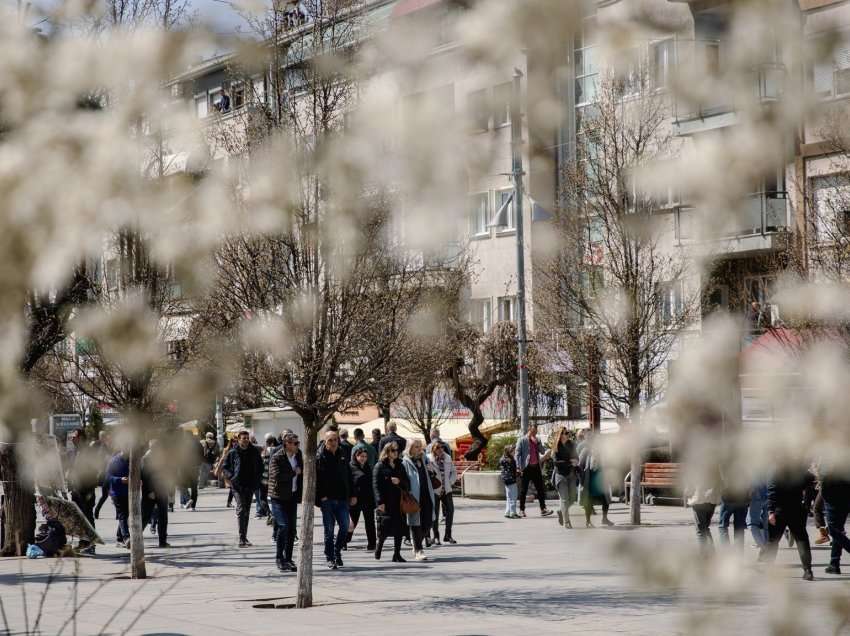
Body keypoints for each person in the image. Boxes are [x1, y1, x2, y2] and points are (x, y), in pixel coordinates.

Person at [758, 465, 815, 581]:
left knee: (773, 540)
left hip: (780, 509)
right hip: (797, 508)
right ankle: (808, 570)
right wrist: (807, 503)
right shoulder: (799, 469)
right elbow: (811, 479)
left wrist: (770, 511)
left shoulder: (775, 470)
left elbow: (772, 491)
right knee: (802, 539)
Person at [316, 429, 354, 570]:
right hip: (327, 499)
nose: (333, 443)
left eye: (335, 440)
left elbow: (349, 476)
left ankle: (337, 551)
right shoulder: (320, 457)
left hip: (342, 498)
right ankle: (330, 557)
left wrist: (353, 494)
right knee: (329, 530)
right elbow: (316, 480)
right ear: (325, 442)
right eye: (330, 440)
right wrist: (321, 497)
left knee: (345, 527)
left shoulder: (342, 454)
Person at [220, 429, 263, 547]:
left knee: (247, 511)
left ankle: (244, 537)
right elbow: (225, 467)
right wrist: (231, 477)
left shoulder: (254, 452)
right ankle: (241, 538)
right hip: (237, 485)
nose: (246, 440)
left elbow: (260, 467)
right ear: (238, 439)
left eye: (247, 438)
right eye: (243, 438)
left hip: (249, 485)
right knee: (241, 509)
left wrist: (257, 480)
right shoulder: (233, 452)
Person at [268, 432, 302, 572]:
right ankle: (279, 558)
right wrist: (294, 472)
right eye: (294, 443)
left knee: (292, 529)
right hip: (278, 497)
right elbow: (276, 475)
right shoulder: (277, 457)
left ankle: (288, 559)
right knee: (283, 526)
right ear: (286, 444)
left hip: (292, 496)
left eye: (297, 443)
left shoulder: (298, 455)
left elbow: (303, 471)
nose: (297, 446)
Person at [373, 442, 409, 562]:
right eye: (393, 450)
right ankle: (379, 546)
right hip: (386, 501)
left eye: (397, 450)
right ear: (387, 452)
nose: (396, 452)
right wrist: (380, 502)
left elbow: (406, 483)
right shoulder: (379, 466)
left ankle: (397, 554)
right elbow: (376, 485)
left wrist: (399, 481)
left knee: (399, 528)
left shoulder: (400, 465)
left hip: (399, 501)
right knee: (384, 527)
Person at [402, 439, 436, 561]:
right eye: (416, 447)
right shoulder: (405, 461)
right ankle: (418, 550)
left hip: (426, 494)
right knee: (415, 523)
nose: (418, 449)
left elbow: (430, 473)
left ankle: (416, 543)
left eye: (420, 447)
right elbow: (404, 478)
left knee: (428, 522)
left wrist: (431, 470)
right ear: (410, 448)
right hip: (414, 496)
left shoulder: (424, 459)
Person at [515, 424, 554, 518]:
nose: (534, 433)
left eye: (535, 432)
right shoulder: (522, 440)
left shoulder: (537, 440)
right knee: (524, 490)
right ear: (529, 430)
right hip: (526, 468)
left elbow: (542, 451)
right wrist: (518, 467)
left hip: (536, 467)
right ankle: (521, 510)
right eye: (533, 432)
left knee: (540, 489)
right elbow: (517, 454)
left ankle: (543, 509)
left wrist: (537, 443)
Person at [578, 433, 614, 527]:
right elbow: (579, 466)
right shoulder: (586, 451)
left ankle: (604, 519)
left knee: (606, 500)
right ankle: (588, 521)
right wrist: (581, 479)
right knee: (588, 501)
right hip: (589, 480)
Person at [820, 466, 850, 574]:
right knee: (838, 528)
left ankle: (835, 563)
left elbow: (825, 473)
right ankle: (834, 563)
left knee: (833, 530)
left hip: (833, 494)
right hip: (845, 494)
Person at [141, 439, 170, 548]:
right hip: (150, 492)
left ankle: (162, 541)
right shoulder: (146, 458)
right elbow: (144, 476)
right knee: (145, 516)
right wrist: (149, 491)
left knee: (163, 517)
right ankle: (136, 539)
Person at [347, 446, 376, 551]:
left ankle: (372, 544)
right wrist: (351, 496)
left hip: (368, 499)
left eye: (365, 456)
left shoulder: (368, 467)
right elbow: (349, 484)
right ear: (356, 456)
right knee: (352, 522)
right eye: (361, 456)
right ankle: (345, 540)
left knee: (370, 522)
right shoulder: (350, 467)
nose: (363, 458)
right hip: (355, 499)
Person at [429, 442, 457, 544]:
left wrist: (450, 482)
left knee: (450, 511)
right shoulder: (429, 459)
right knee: (435, 513)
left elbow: (454, 472)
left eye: (442, 447)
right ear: (433, 449)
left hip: (447, 490)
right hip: (435, 490)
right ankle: (436, 536)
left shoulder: (448, 458)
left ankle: (448, 535)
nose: (440, 449)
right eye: (438, 448)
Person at [551, 427, 579, 529]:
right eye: (565, 433)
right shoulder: (556, 446)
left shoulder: (571, 444)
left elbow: (576, 457)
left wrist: (576, 461)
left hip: (571, 474)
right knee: (564, 500)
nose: (567, 434)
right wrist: (569, 462)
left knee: (572, 499)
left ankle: (560, 511)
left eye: (568, 433)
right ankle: (567, 522)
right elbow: (555, 462)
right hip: (560, 475)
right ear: (560, 434)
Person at [104, 447, 130, 548]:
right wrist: (120, 480)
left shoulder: (131, 460)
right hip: (117, 493)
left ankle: (119, 539)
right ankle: (126, 538)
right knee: (122, 515)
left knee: (125, 515)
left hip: (128, 493)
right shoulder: (114, 461)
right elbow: (108, 477)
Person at [179, 431, 203, 511]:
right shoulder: (198, 444)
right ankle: (193, 506)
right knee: (194, 487)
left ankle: (188, 499)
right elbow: (202, 455)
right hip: (195, 467)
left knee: (182, 485)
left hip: (184, 467)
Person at [92, 431, 113, 520]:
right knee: (108, 494)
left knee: (107, 494)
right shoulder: (98, 446)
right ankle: (96, 510)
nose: (105, 438)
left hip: (106, 473)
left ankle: (96, 510)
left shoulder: (106, 446)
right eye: (103, 437)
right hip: (104, 474)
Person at [256, 434, 277, 519]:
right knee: (274, 498)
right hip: (273, 479)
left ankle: (269, 513)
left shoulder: (263, 451)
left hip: (263, 479)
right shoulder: (278, 450)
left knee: (262, 498)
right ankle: (274, 514)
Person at [500, 445, 520, 519]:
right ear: (509, 451)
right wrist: (519, 473)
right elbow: (513, 471)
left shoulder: (503, 458)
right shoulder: (510, 460)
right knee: (513, 496)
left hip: (506, 480)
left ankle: (507, 512)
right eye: (513, 451)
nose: (514, 452)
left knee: (508, 497)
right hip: (511, 479)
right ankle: (513, 513)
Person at [748, 482, 769, 547]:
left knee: (752, 523)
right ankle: (767, 544)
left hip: (757, 495)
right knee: (766, 523)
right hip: (767, 495)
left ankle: (762, 546)